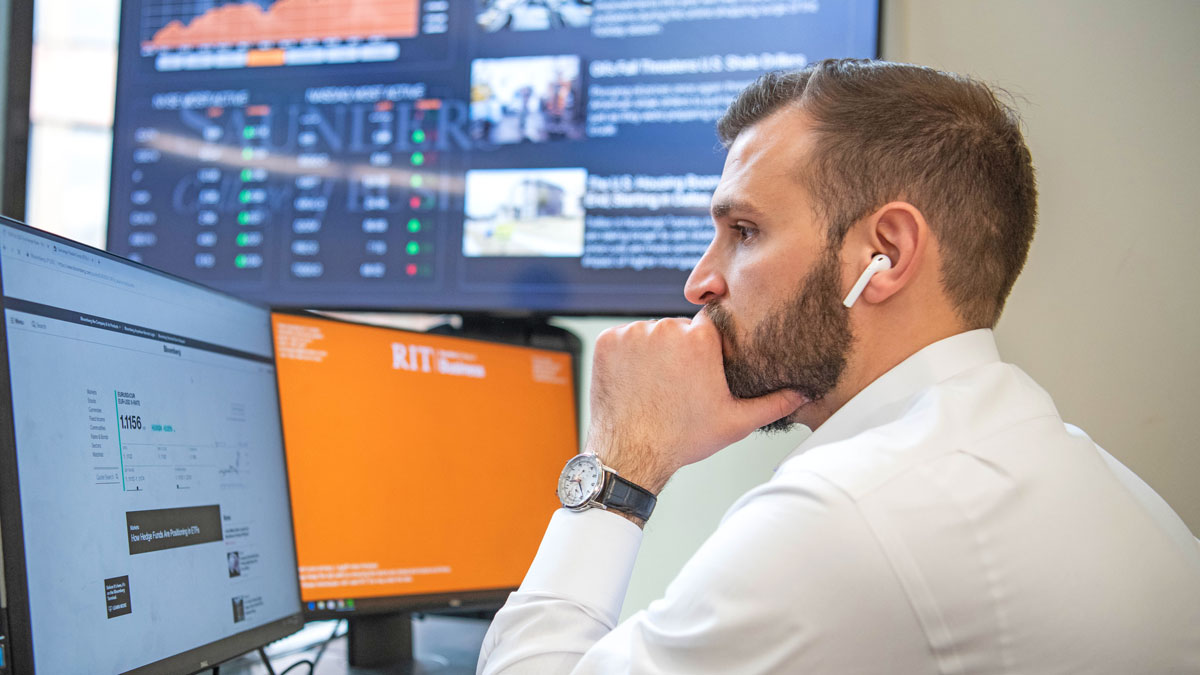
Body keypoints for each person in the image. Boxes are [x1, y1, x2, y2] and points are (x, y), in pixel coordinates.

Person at [477, 59, 1200, 673]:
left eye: (745, 231)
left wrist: (619, 468)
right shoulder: (1087, 472)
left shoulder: (851, 511)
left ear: (884, 253)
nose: (699, 282)